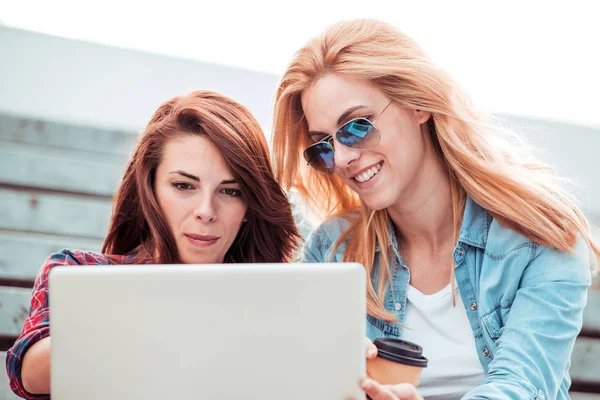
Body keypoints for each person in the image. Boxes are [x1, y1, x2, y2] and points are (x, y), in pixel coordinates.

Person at [272, 19, 599, 400]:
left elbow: (521, 386)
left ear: (418, 105)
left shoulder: (540, 236)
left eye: (356, 127)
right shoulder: (332, 251)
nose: (343, 158)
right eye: (323, 147)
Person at [6, 90, 301, 399]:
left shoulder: (272, 300)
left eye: (230, 191)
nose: (206, 211)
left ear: (248, 209)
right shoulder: (79, 271)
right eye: (184, 185)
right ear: (151, 190)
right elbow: (31, 374)